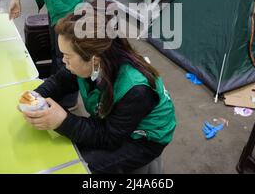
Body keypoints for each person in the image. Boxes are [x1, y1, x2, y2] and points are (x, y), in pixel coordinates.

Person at [20, 9, 176, 173]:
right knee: (68, 144)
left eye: (67, 56)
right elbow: (60, 81)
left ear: (94, 60)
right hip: (115, 124)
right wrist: (35, 97)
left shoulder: (136, 90)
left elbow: (110, 137)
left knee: (78, 166)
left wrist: (63, 120)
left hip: (144, 140)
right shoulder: (93, 62)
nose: (64, 62)